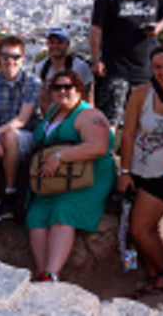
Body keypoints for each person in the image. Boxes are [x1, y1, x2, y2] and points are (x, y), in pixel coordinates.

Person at [26, 71, 116, 282]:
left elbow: (100, 146)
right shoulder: (53, 112)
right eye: (57, 88)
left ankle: (52, 272)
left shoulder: (89, 115)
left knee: (63, 211)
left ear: (79, 90)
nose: (62, 91)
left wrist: (60, 156)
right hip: (56, 180)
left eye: (68, 87)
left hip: (88, 178)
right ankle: (42, 273)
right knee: (36, 216)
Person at [117, 46, 163, 297]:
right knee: (141, 229)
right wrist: (125, 171)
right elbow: (127, 134)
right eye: (158, 67)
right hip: (137, 168)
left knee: (140, 228)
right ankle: (152, 277)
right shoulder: (140, 93)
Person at [90, 0, 163, 129]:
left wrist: (158, 27)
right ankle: (108, 157)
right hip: (116, 68)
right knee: (111, 121)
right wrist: (96, 59)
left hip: (147, 68)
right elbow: (96, 28)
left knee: (145, 121)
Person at [0, 35, 42, 226]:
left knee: (9, 136)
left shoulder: (32, 82)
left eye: (15, 57)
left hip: (25, 135)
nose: (10, 61)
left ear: (22, 58)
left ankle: (10, 191)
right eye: (5, 56)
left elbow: (22, 120)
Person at [34, 27, 94, 113]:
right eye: (52, 42)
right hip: (53, 114)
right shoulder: (42, 67)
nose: (55, 46)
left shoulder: (79, 67)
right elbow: (44, 98)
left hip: (76, 113)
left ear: (67, 44)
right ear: (47, 44)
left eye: (60, 43)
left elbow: (88, 96)